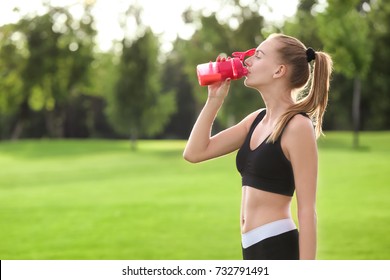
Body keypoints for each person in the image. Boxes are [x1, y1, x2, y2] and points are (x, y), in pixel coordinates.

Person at [183, 33, 333, 260]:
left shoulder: (298, 127)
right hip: (251, 248)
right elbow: (194, 153)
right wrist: (214, 99)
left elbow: (306, 211)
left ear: (279, 71)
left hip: (278, 247)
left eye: (258, 56)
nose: (248, 62)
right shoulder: (255, 120)